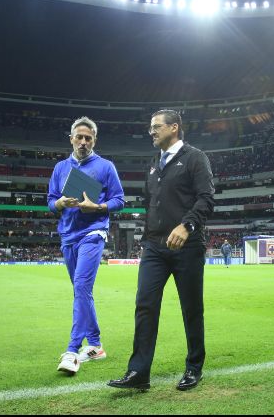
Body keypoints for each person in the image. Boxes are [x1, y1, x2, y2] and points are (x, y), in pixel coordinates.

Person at [108, 109, 215, 391]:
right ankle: (138, 373)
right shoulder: (154, 163)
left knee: (191, 309)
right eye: (151, 127)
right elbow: (151, 203)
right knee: (145, 305)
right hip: (154, 247)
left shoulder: (195, 158)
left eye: (156, 127)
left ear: (174, 128)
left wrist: (187, 226)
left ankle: (194, 367)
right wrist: (147, 236)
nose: (151, 131)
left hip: (188, 246)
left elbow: (206, 198)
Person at [47, 117, 125, 375]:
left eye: (88, 138)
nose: (83, 142)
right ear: (71, 139)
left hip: (93, 232)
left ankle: (71, 351)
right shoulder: (60, 168)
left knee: (81, 286)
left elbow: (119, 200)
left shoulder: (105, 166)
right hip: (67, 235)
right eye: (79, 137)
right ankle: (95, 345)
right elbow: (50, 201)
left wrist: (98, 207)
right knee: (82, 291)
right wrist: (60, 204)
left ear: (94, 140)